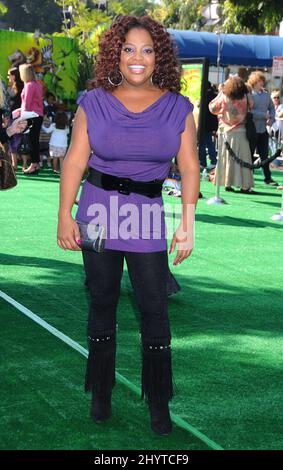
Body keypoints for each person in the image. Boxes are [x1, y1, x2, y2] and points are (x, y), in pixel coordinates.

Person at [57, 15, 199, 436]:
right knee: (102, 302)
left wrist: (187, 224)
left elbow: (190, 168)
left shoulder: (177, 106)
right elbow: (75, 161)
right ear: (115, 54)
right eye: (128, 49)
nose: (137, 58)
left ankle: (159, 403)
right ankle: (100, 393)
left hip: (146, 219)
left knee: (154, 309)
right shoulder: (94, 102)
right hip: (97, 216)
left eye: (147, 49)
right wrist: (65, 214)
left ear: (160, 57)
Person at [209, 75, 254, 193]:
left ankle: (227, 183)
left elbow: (212, 108)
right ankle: (244, 185)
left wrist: (220, 92)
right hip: (241, 131)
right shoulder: (245, 97)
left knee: (226, 158)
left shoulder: (225, 96)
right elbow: (252, 106)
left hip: (226, 132)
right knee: (243, 158)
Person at [247, 71, 277, 185]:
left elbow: (272, 108)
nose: (262, 83)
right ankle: (248, 179)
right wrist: (263, 115)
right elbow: (249, 111)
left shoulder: (266, 95)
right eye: (260, 81)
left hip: (263, 130)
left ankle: (267, 178)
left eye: (262, 81)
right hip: (251, 130)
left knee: (264, 156)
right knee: (249, 155)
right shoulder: (250, 95)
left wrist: (272, 119)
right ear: (254, 82)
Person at [17, 63, 44, 175]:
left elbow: (27, 104)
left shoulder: (29, 85)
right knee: (34, 140)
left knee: (31, 141)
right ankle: (35, 164)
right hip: (38, 115)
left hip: (31, 115)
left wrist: (20, 117)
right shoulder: (37, 84)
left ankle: (33, 164)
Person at [7, 67, 24, 170]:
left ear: (14, 75)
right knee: (13, 139)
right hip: (14, 115)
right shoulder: (16, 86)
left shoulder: (18, 86)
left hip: (16, 116)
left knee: (14, 139)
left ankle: (15, 163)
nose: (8, 76)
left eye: (9, 75)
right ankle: (14, 162)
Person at [198, 81, 218, 170]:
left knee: (202, 143)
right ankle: (213, 161)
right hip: (212, 123)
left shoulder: (203, 95)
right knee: (210, 143)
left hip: (203, 123)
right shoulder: (214, 95)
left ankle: (203, 162)